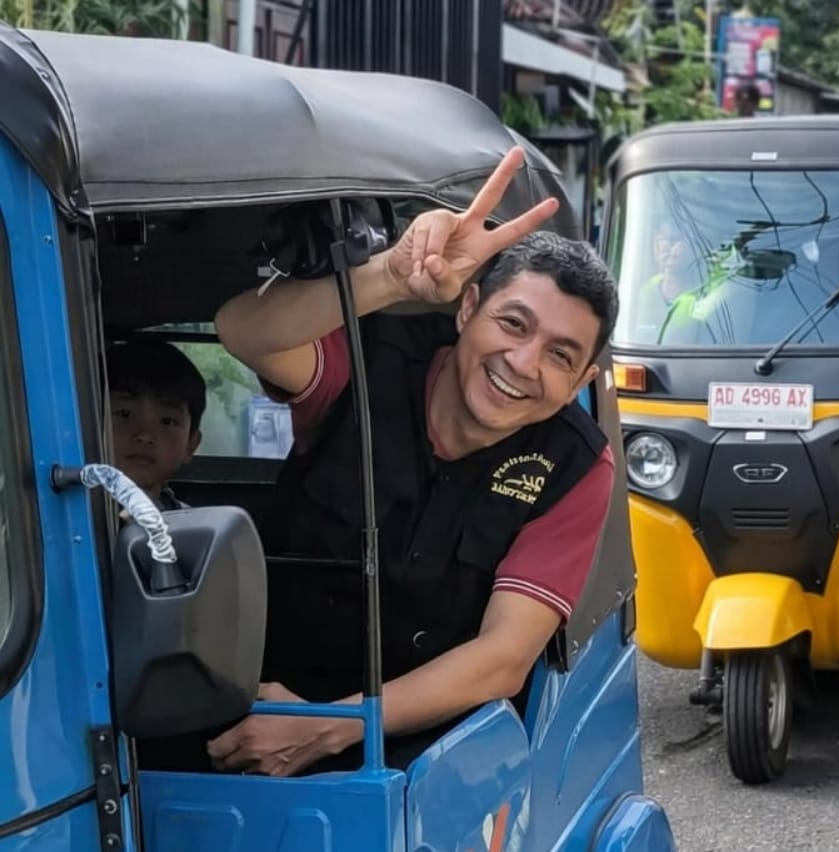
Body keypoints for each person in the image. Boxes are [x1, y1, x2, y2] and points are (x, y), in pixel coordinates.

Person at [202, 147, 617, 776]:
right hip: (255, 710)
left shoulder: (577, 465)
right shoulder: (368, 364)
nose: (524, 364)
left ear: (583, 377)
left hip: (428, 757)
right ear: (468, 308)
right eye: (513, 323)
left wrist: (334, 727)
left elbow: (504, 657)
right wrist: (394, 275)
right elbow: (244, 331)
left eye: (561, 356)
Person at [106, 339, 205, 510]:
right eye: (124, 414)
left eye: (167, 421)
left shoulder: (191, 526)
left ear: (191, 445)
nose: (144, 436)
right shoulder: (69, 516)